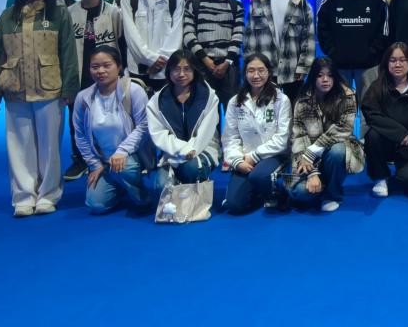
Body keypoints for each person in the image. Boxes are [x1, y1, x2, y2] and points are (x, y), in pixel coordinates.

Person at [0, 0, 78, 216]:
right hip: (14, 89)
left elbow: (69, 53)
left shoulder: (59, 14)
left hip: (50, 88)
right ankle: (23, 197)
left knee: (50, 146)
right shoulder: (7, 17)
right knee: (19, 145)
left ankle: (48, 195)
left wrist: (70, 88)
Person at [72, 46, 153, 214]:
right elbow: (79, 135)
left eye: (107, 65)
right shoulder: (83, 97)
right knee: (96, 205)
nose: (100, 71)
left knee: (124, 168)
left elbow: (144, 126)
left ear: (119, 67)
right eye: (95, 67)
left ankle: (142, 196)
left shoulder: (134, 91)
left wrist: (122, 151)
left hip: (131, 157)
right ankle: (121, 184)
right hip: (104, 162)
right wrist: (94, 164)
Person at [64, 0, 124, 181]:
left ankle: (114, 156)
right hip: (79, 74)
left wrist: (121, 71)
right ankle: (80, 159)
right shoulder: (69, 13)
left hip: (107, 74)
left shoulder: (114, 12)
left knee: (111, 117)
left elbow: (122, 42)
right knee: (77, 120)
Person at [288, 57, 364, 212]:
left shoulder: (347, 96)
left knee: (338, 151)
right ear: (313, 77)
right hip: (308, 159)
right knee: (298, 194)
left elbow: (343, 129)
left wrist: (312, 151)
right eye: (320, 75)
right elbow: (299, 137)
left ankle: (333, 194)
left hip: (335, 150)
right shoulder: (302, 101)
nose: (325, 80)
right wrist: (312, 173)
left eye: (330, 75)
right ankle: (320, 185)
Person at [223, 52, 292, 214]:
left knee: (259, 176)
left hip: (273, 155)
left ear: (269, 72)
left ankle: (278, 193)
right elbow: (230, 137)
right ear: (245, 73)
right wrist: (236, 161)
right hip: (244, 158)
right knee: (234, 205)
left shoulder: (281, 99)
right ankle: (258, 191)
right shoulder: (235, 102)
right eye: (251, 70)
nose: (256, 75)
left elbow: (282, 139)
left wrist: (254, 156)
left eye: (261, 70)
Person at [146, 49, 221, 196]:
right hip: (172, 152)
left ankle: (195, 191)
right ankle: (182, 192)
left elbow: (206, 132)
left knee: (190, 168)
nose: (181, 74)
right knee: (161, 186)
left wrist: (190, 151)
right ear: (169, 71)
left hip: (202, 148)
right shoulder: (157, 101)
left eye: (187, 69)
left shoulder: (209, 97)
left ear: (194, 71)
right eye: (176, 69)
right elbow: (159, 134)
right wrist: (183, 150)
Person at [316, 0, 388, 99]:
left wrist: (372, 53)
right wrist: (333, 52)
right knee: (339, 106)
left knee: (370, 106)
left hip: (369, 65)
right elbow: (322, 27)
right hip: (339, 65)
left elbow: (385, 30)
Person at [246, 0, 316, 102]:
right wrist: (250, 65)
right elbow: (250, 36)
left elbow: (308, 37)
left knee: (294, 110)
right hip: (264, 68)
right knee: (265, 110)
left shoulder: (300, 1)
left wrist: (304, 66)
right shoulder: (257, 0)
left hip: (292, 68)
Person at [362, 43, 408, 197]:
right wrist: (398, 133)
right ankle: (380, 178)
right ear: (386, 63)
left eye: (402, 60)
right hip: (387, 143)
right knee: (372, 135)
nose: (397, 64)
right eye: (393, 60)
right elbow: (371, 113)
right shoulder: (377, 87)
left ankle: (405, 168)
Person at [183, 0, 245, 110]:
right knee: (204, 111)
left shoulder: (235, 3)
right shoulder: (193, 3)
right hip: (201, 65)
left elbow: (238, 35)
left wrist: (227, 62)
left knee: (232, 110)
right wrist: (206, 61)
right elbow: (188, 35)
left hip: (229, 67)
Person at [121, 0, 183, 91]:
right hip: (138, 68)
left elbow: (177, 34)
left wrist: (162, 60)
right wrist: (151, 59)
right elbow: (131, 35)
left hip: (167, 69)